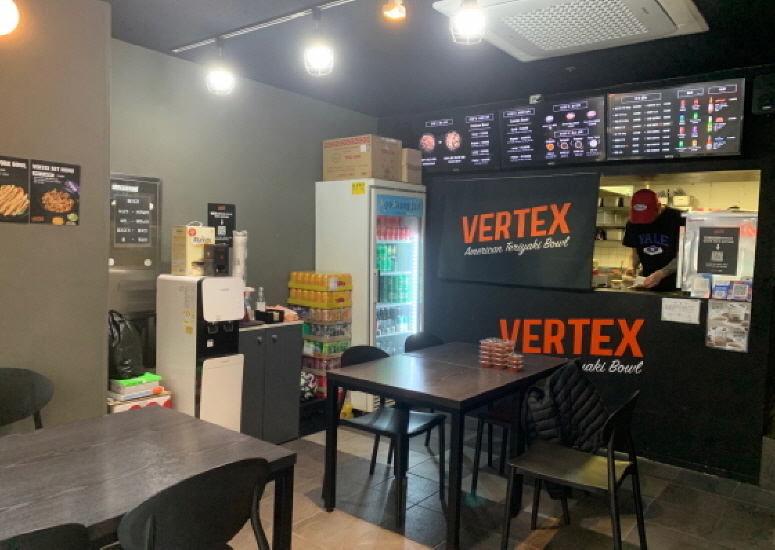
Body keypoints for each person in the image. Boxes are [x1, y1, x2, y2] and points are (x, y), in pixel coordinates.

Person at [623, 189, 684, 291]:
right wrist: (631, 266)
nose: (643, 222)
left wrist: (661, 274)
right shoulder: (632, 222)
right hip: (647, 283)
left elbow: (684, 256)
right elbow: (635, 252)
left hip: (676, 285)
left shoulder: (679, 219)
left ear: (659, 207)